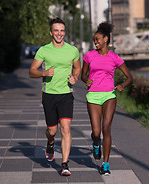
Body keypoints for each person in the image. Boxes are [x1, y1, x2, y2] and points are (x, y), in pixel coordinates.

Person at [29, 17, 81, 176]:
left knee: (66, 128)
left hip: (66, 94)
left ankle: (65, 164)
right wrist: (43, 73)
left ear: (65, 32)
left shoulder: (72, 50)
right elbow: (32, 71)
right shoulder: (43, 50)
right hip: (49, 95)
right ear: (51, 32)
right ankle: (50, 143)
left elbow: (77, 68)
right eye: (56, 30)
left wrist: (75, 77)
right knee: (52, 130)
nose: (59, 33)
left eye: (62, 31)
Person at [81, 22, 133, 175]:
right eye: (94, 40)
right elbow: (83, 75)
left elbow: (129, 77)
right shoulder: (89, 56)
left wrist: (122, 85)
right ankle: (96, 144)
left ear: (105, 39)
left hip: (109, 95)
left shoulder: (114, 58)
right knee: (96, 132)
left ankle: (105, 163)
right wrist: (86, 80)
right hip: (93, 95)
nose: (95, 42)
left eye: (97, 39)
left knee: (106, 128)